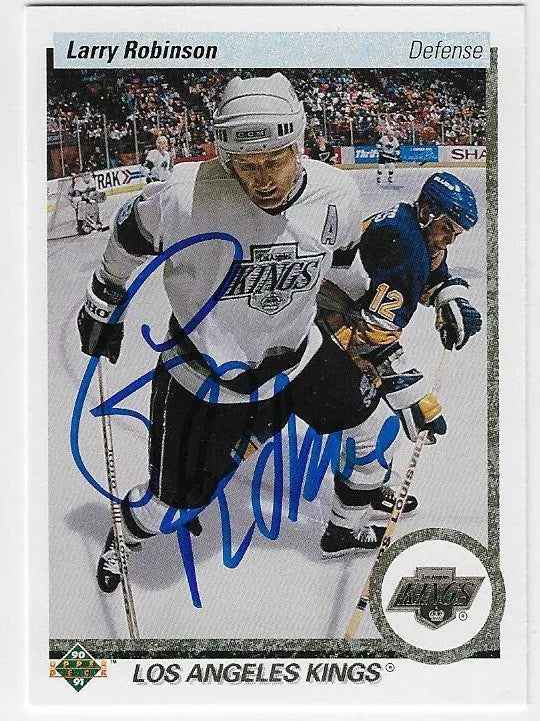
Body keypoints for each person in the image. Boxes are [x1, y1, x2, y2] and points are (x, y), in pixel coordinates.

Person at [77, 72, 418, 594]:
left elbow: (342, 265)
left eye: (274, 161)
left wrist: (371, 318)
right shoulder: (185, 196)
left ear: (298, 145)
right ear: (224, 157)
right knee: (171, 506)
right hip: (204, 375)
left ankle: (345, 525)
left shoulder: (337, 193)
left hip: (297, 355)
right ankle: (126, 532)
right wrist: (104, 301)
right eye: (246, 165)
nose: (262, 180)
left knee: (369, 426)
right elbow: (127, 234)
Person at [317, 172, 482, 547]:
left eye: (457, 233)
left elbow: (432, 271)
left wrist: (448, 299)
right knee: (373, 434)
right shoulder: (406, 246)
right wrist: (413, 398)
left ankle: (370, 492)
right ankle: (342, 531)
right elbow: (372, 339)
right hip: (326, 331)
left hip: (337, 317)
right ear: (427, 211)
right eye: (447, 228)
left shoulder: (414, 226)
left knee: (380, 427)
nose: (450, 238)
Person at [69, 170, 103, 235]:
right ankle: (81, 226)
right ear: (82, 175)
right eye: (84, 175)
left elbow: (93, 191)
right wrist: (83, 197)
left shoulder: (91, 181)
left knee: (94, 204)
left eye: (88, 174)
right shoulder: (78, 182)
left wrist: (91, 196)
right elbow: (75, 195)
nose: (86, 176)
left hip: (86, 198)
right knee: (81, 206)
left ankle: (96, 222)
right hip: (77, 199)